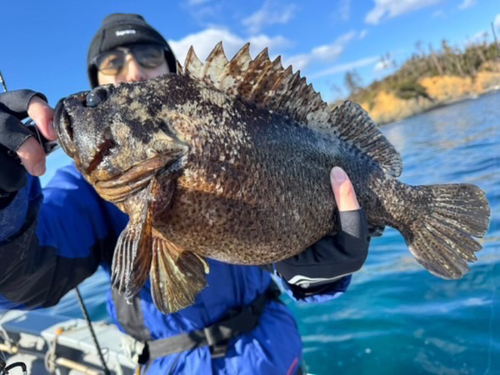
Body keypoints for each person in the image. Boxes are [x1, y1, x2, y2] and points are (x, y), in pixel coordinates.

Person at [0, 13, 369, 374]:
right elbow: (25, 282)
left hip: (276, 354)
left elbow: (295, 261)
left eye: (149, 56)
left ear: (174, 72)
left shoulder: (235, 139)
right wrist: (3, 200)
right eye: (111, 66)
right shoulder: (85, 195)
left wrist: (319, 273)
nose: (133, 72)